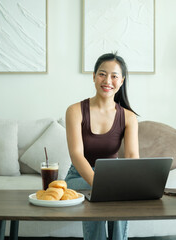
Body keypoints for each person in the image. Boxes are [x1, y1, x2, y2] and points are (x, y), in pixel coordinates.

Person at [64, 52, 139, 240]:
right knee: (97, 196)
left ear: (121, 81)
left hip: (113, 177)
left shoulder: (129, 117)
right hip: (78, 177)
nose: (108, 80)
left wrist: (130, 184)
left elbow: (132, 157)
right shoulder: (75, 111)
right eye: (102, 74)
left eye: (114, 76)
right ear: (94, 76)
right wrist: (101, 186)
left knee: (119, 195)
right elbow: (76, 155)